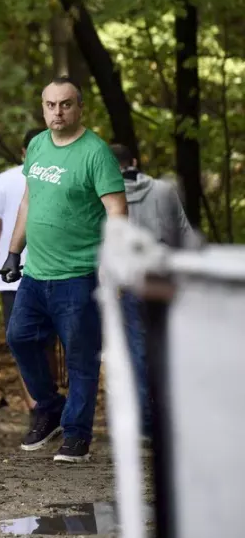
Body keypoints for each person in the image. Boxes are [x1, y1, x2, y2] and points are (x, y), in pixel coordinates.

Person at [1, 77, 128, 463]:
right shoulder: (37, 145)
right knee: (19, 337)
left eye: (66, 104)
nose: (58, 112)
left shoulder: (95, 153)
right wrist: (12, 251)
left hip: (79, 274)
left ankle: (77, 435)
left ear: (79, 108)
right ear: (43, 108)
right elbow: (28, 201)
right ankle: (50, 406)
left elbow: (118, 212)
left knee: (80, 357)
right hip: (37, 273)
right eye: (51, 105)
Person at [108, 143, 200, 439]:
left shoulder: (106, 195)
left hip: (127, 278)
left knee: (134, 348)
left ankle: (145, 421)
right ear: (134, 161)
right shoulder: (163, 190)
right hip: (163, 276)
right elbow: (184, 235)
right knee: (167, 346)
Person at [0, 126, 57, 412]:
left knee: (22, 345)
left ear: (24, 152)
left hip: (10, 277)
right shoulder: (61, 177)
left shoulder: (5, 179)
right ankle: (53, 405)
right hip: (52, 271)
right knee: (49, 342)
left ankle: (37, 408)